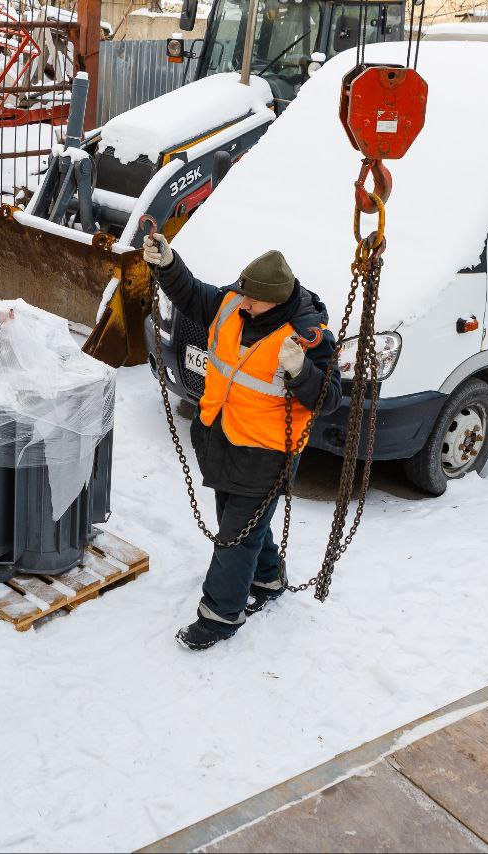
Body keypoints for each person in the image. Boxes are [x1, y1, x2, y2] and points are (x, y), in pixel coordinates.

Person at [144, 231, 342, 651]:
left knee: (235, 536)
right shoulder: (236, 302)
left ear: (276, 299)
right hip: (221, 439)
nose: (243, 303)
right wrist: (168, 264)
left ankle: (219, 616)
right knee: (242, 524)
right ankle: (267, 579)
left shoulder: (307, 336)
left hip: (266, 454)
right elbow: (194, 296)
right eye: (243, 294)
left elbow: (329, 400)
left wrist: (302, 370)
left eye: (253, 300)